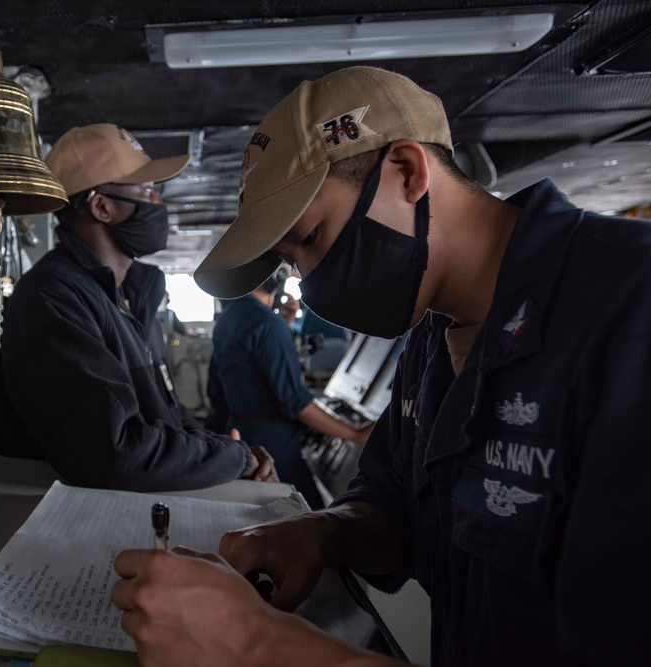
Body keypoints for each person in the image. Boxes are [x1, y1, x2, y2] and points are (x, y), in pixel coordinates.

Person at [111, 67, 651, 665]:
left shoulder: (628, 309)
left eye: (311, 239)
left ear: (407, 172)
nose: (309, 284)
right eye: (291, 264)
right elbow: (394, 501)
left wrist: (258, 645)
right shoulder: (431, 334)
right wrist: (322, 534)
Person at [0, 123, 277, 491]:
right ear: (102, 207)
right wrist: (234, 459)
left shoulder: (132, 294)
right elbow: (114, 451)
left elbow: (168, 415)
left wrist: (232, 451)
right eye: (146, 191)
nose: (158, 204)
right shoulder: (51, 298)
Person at [206, 270, 371, 508]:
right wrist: (355, 435)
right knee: (311, 514)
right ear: (274, 280)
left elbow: (225, 382)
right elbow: (295, 401)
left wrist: (285, 323)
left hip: (244, 435)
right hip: (275, 445)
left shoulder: (228, 319)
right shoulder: (269, 324)